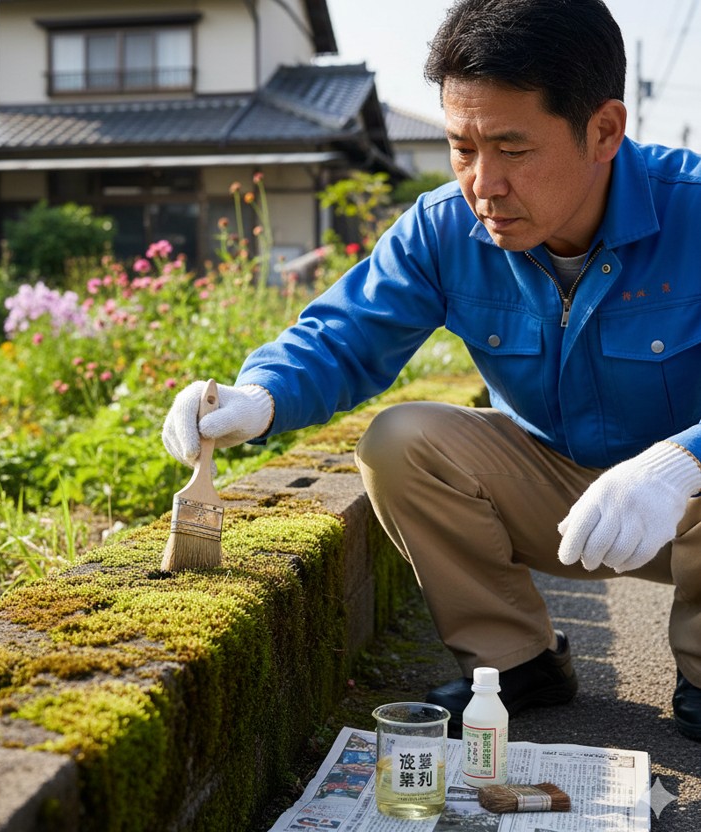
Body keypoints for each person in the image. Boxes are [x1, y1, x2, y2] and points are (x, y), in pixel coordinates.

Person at [162, 0, 701, 742]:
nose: (485, 184)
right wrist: (257, 396)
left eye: (512, 149)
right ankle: (514, 662)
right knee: (402, 440)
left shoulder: (694, 212)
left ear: (604, 130)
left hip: (685, 507)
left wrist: (681, 462)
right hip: (564, 496)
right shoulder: (445, 228)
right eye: (461, 148)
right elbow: (344, 332)